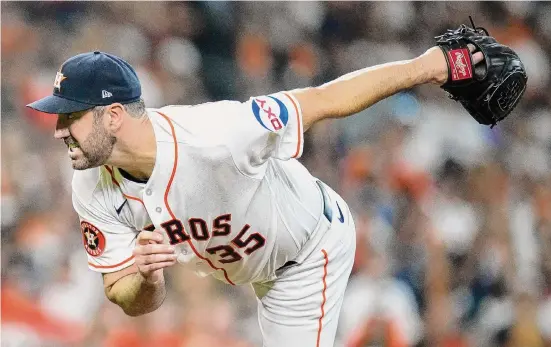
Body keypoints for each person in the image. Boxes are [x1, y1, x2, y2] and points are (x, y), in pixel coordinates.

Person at [27, 46, 483, 347]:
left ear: (112, 115)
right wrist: (147, 279)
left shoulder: (219, 133)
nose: (60, 130)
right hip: (251, 271)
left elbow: (323, 100)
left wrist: (431, 66)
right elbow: (127, 297)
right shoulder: (90, 183)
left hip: (308, 251)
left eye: (71, 117)